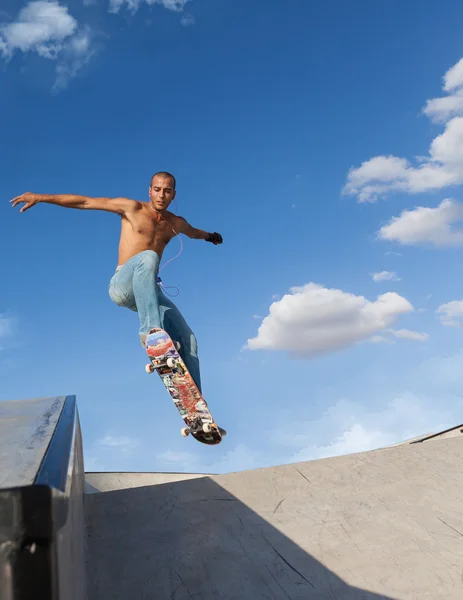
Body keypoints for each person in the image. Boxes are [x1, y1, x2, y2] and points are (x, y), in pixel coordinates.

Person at [10, 171, 223, 392]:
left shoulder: (175, 223)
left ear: (173, 195)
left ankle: (196, 408)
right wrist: (41, 197)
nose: (161, 195)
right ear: (150, 191)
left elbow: (194, 233)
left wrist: (211, 237)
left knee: (189, 339)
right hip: (121, 284)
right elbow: (84, 202)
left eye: (167, 191)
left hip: (146, 292)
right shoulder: (132, 208)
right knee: (149, 257)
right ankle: (151, 333)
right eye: (157, 190)